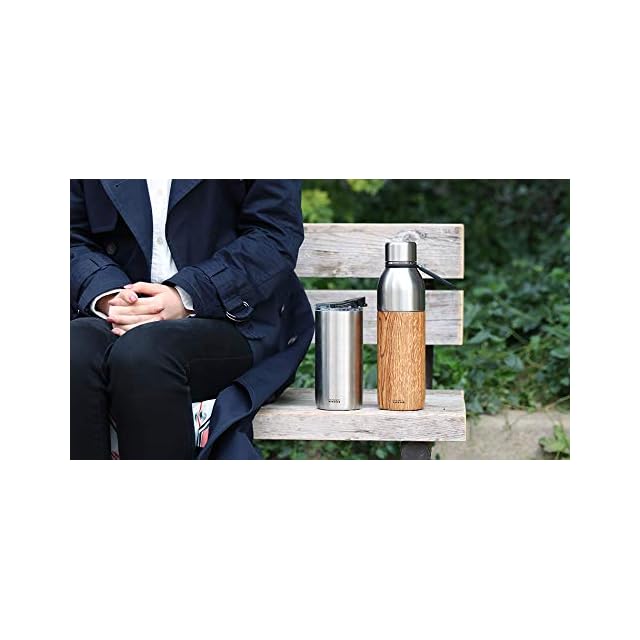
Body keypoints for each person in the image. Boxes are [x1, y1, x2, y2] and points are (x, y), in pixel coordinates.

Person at [70, 179, 313, 460]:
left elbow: (274, 234)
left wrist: (187, 295)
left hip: (232, 317)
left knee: (143, 354)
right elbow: (71, 236)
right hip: (119, 308)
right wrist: (110, 296)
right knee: (74, 350)